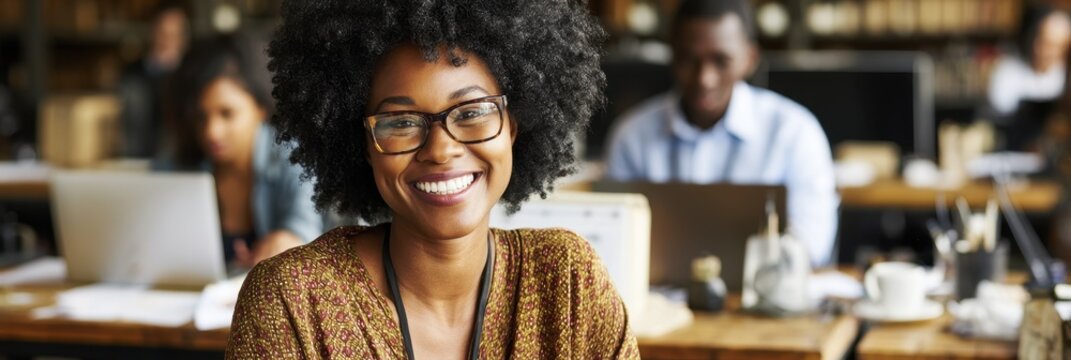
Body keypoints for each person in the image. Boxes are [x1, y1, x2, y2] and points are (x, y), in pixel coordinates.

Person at [227, 0, 638, 358]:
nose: (440, 150)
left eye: (472, 112)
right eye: (401, 122)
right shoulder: (293, 302)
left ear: (513, 125)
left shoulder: (568, 284)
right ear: (364, 145)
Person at [604, 0, 839, 267]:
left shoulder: (795, 132)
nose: (705, 78)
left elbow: (812, 244)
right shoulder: (631, 135)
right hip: (656, 300)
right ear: (672, 57)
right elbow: (611, 237)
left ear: (750, 59)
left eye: (721, 61)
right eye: (690, 60)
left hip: (760, 300)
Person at [159, 35, 321, 269]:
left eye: (227, 114)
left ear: (261, 107)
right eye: (201, 117)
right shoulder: (179, 163)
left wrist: (287, 240)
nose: (212, 132)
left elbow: (304, 224)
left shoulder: (295, 157)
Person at [988, 6, 1071, 151]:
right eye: (1044, 41)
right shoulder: (1008, 72)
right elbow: (1000, 120)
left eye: (1057, 46)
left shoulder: (1066, 74)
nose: (1045, 51)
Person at [118, 2, 188, 158]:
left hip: (177, 162)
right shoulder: (132, 75)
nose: (168, 41)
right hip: (136, 159)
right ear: (152, 33)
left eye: (174, 35)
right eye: (163, 34)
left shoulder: (190, 75)